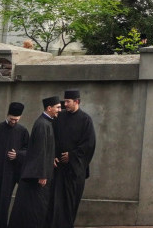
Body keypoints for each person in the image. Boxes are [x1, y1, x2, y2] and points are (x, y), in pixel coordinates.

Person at [8, 96, 60, 228]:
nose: (59, 110)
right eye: (57, 107)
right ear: (49, 108)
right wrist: (42, 174)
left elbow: (46, 149)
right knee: (34, 210)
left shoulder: (46, 123)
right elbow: (39, 150)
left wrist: (50, 160)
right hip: (37, 177)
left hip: (40, 174)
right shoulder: (43, 124)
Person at [51, 89, 97, 228]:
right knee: (56, 203)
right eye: (64, 101)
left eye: (68, 102)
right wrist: (52, 156)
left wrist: (71, 156)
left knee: (71, 202)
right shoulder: (59, 117)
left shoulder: (85, 120)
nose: (65, 104)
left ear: (77, 102)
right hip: (59, 169)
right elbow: (52, 137)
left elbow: (89, 144)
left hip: (75, 171)